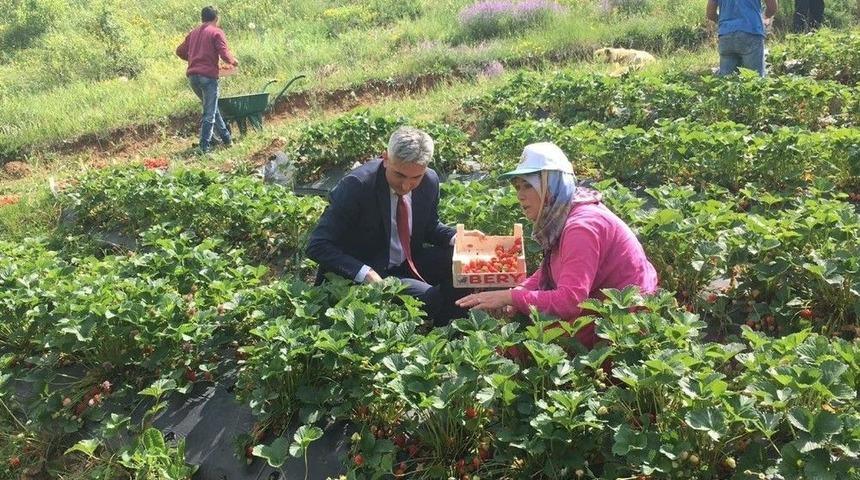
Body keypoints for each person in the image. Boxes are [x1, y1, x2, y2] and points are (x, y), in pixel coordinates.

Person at [455, 143, 659, 350]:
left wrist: (509, 296)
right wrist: (520, 291)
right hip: (601, 303)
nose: (520, 195)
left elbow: (571, 301)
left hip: (624, 319)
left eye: (528, 185)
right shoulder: (566, 212)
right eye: (517, 187)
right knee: (523, 336)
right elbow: (550, 268)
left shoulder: (581, 229)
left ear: (551, 185)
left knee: (522, 348)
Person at [306, 127, 476, 326]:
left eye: (415, 178)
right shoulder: (357, 186)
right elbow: (317, 245)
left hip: (406, 262)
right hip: (367, 271)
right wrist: (365, 273)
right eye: (399, 175)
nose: (406, 186)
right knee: (428, 298)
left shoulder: (429, 181)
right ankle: (432, 334)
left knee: (464, 265)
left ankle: (455, 333)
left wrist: (456, 238)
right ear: (386, 158)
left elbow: (429, 227)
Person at [176, 6, 239, 154]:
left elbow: (179, 51)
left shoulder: (193, 32)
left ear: (202, 18)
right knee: (209, 113)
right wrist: (234, 62)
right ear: (216, 18)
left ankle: (227, 139)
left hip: (193, 77)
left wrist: (193, 58)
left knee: (212, 109)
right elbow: (224, 54)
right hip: (208, 77)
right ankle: (204, 147)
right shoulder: (216, 32)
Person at [707, 0, 778, 76]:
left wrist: (725, 23)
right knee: (754, 79)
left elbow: (710, 13)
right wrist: (765, 17)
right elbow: (772, 7)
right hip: (751, 31)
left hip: (726, 35)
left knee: (726, 81)